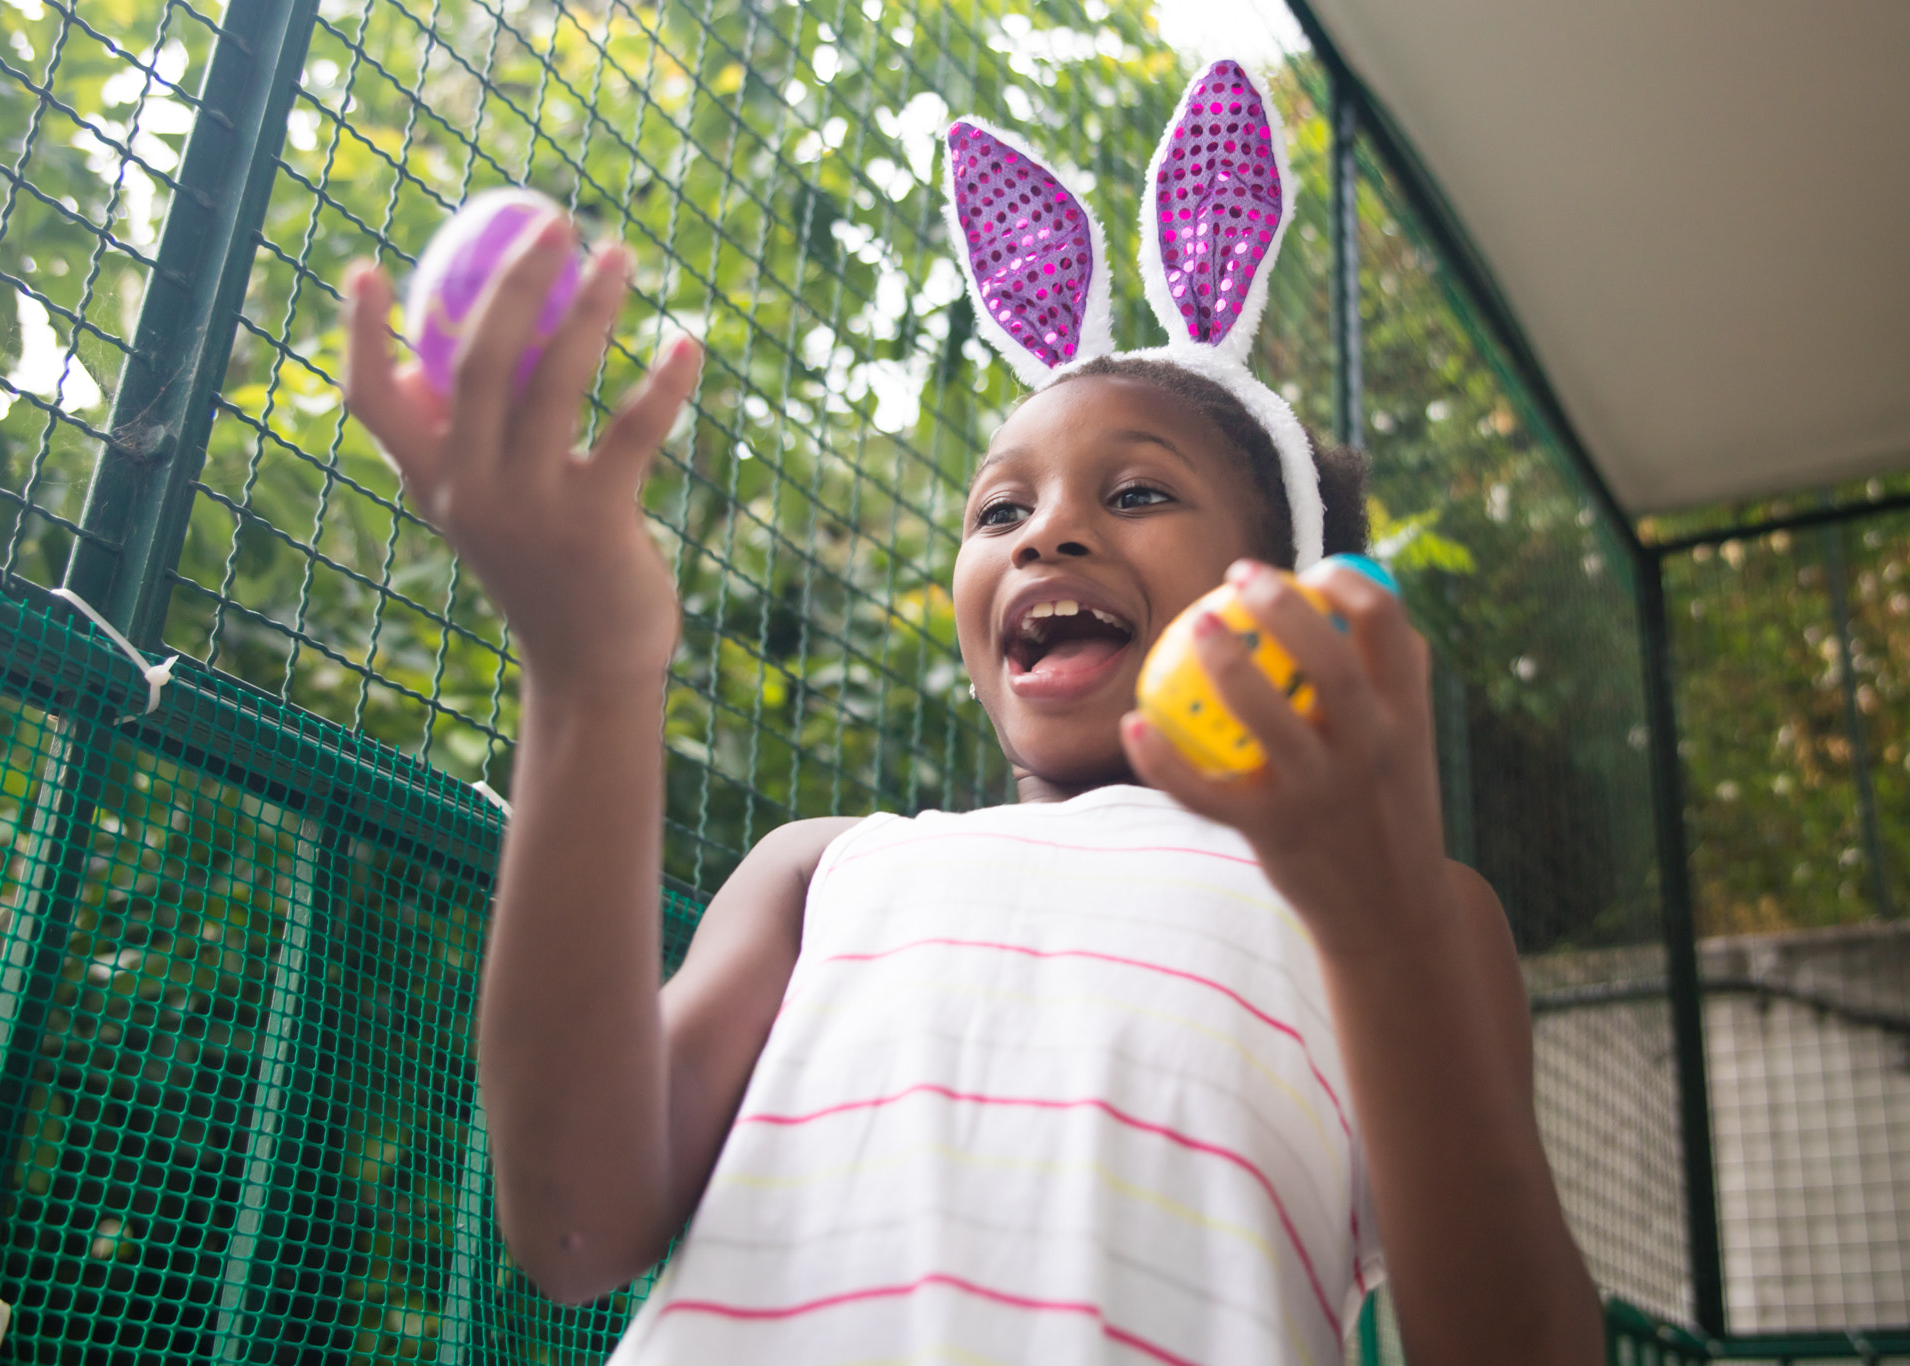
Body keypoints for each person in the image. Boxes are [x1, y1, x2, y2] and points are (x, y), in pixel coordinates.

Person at [342, 57, 1600, 1366]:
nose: (1046, 530)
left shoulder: (1397, 900)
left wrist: (1381, 918)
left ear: (1269, 589)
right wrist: (589, 677)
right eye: (1000, 509)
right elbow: (572, 1226)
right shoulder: (829, 868)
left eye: (1135, 494)